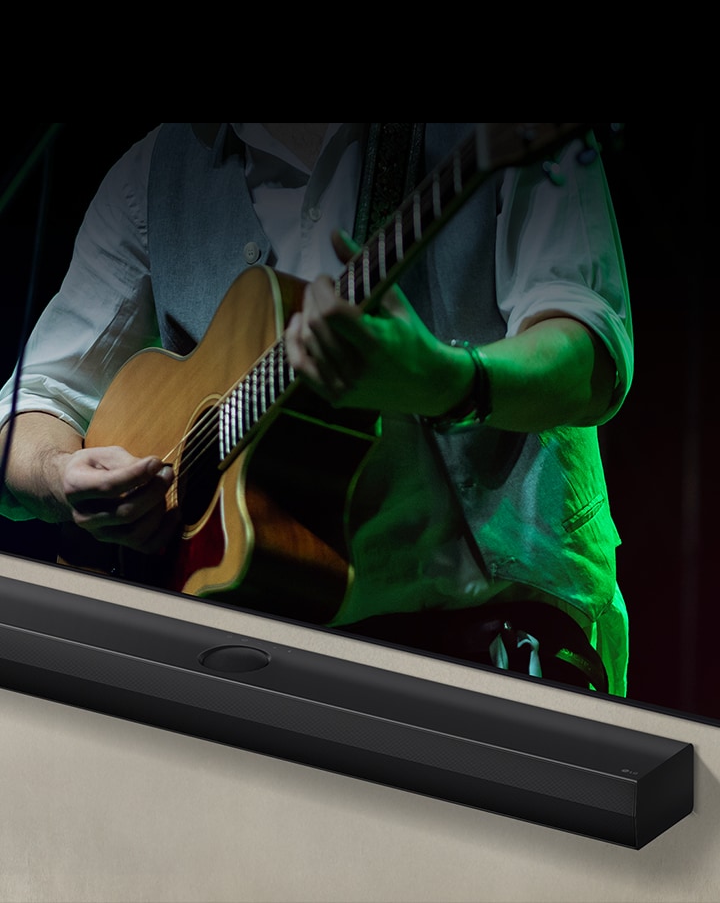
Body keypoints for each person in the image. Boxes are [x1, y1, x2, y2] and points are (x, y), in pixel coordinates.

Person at [0, 123, 633, 696]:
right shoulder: (156, 171)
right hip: (246, 674)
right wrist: (60, 478)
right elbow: (31, 409)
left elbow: (588, 357)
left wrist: (446, 379)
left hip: (491, 648)